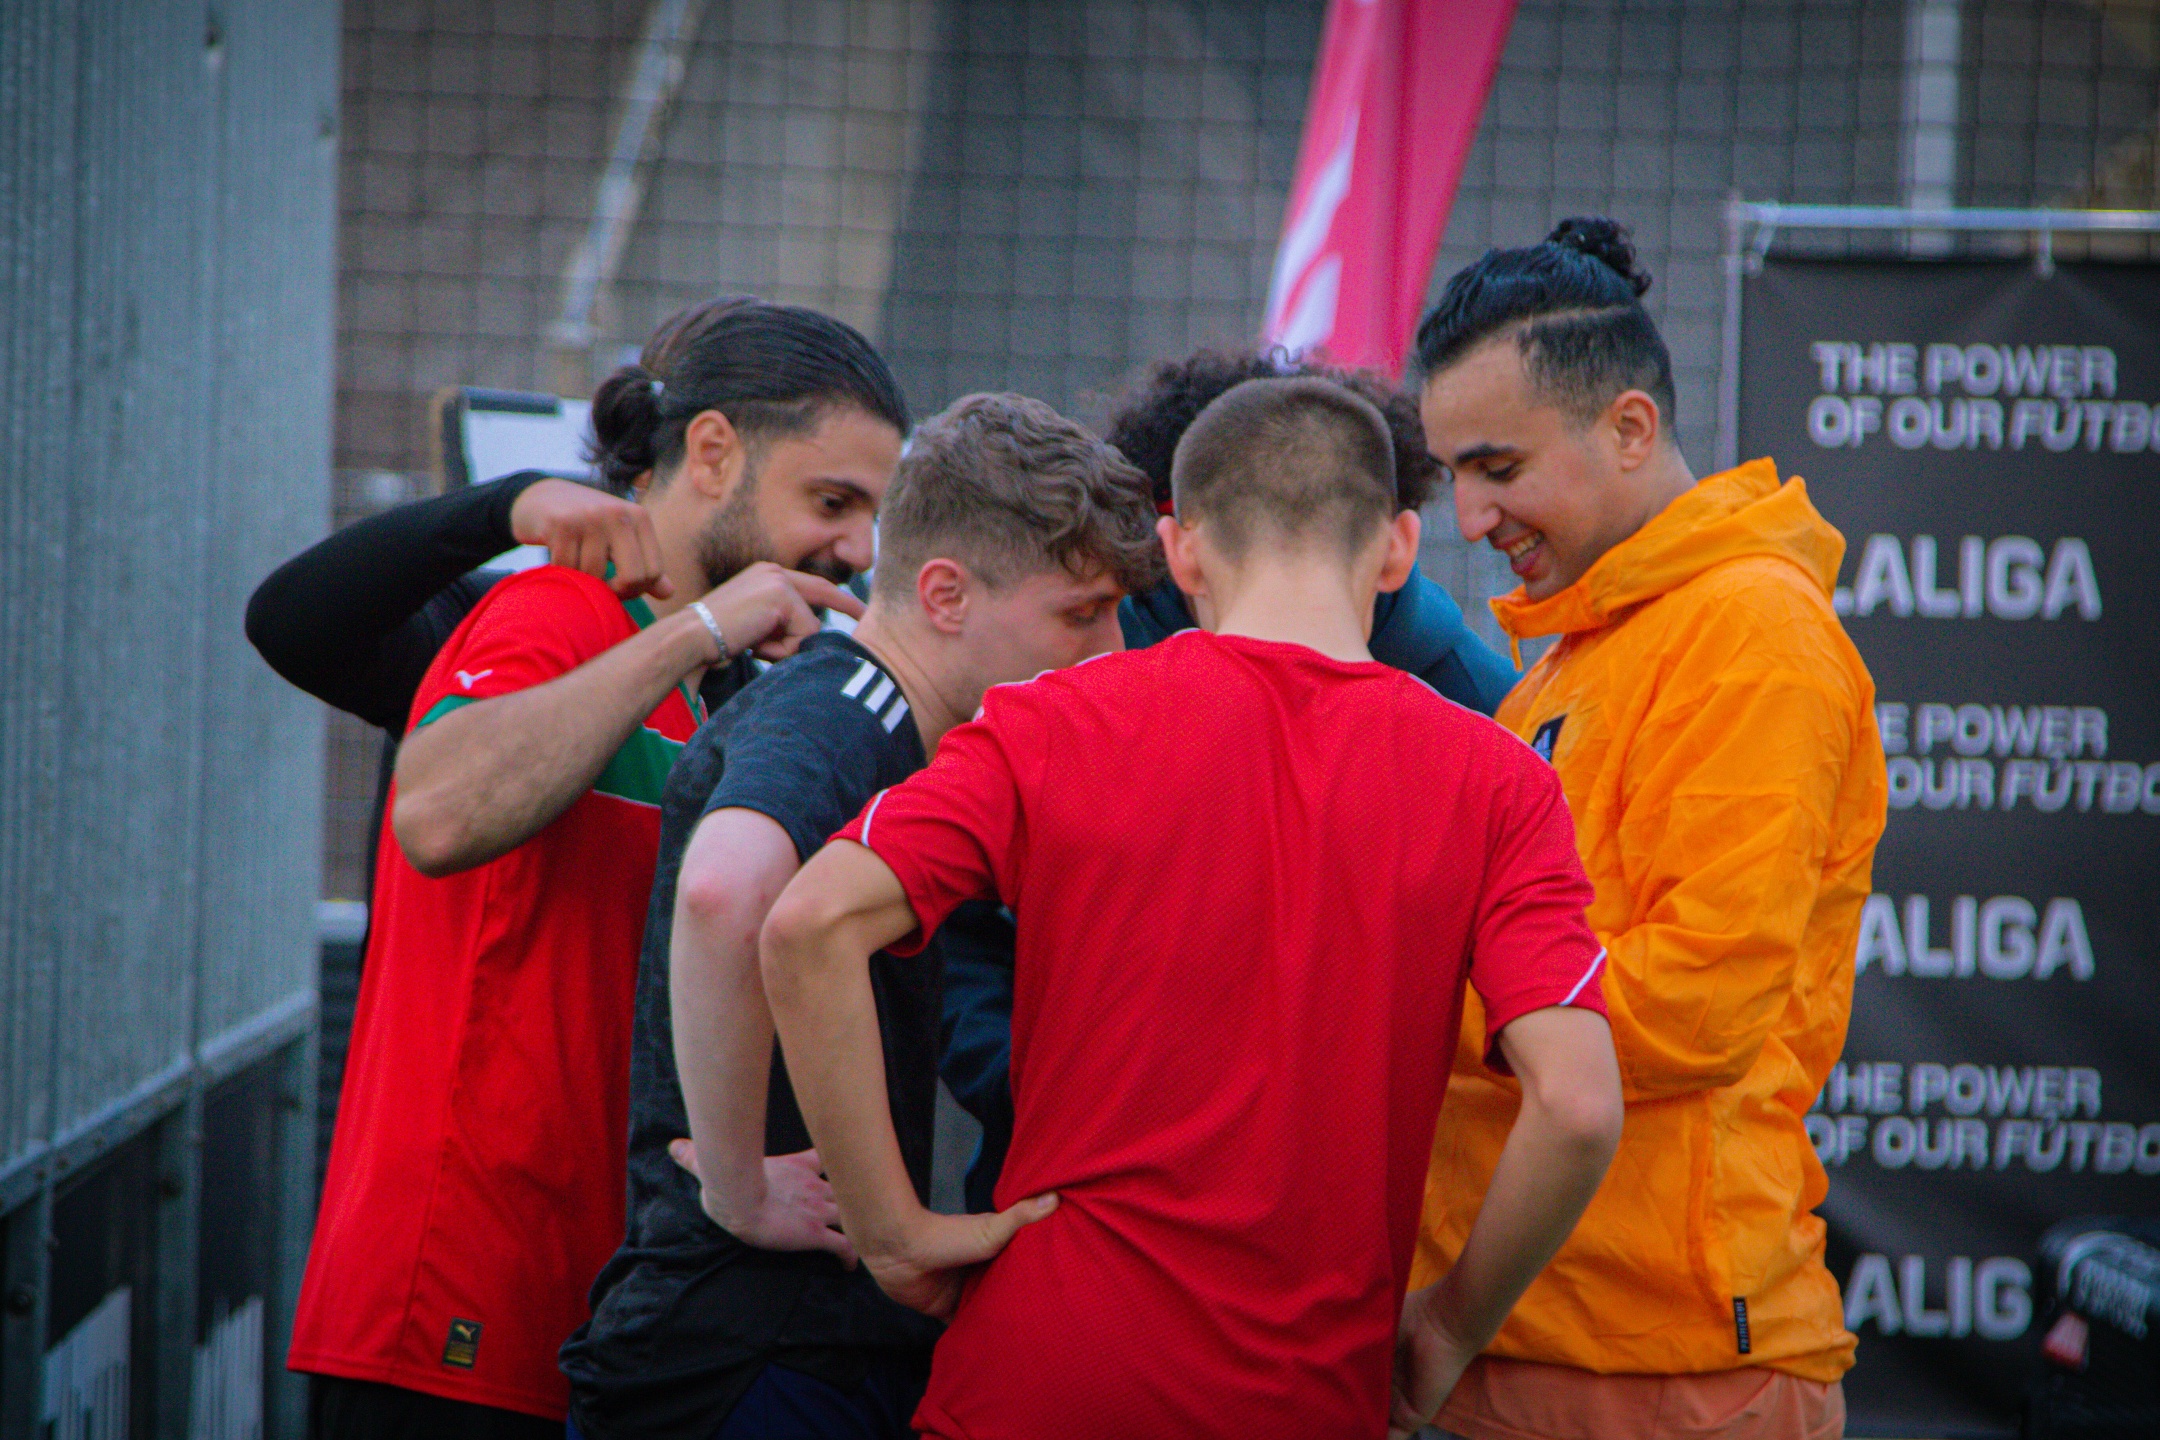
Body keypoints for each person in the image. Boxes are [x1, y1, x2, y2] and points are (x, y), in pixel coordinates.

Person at [760, 376, 1626, 1439]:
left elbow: (807, 924)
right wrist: (1447, 1329)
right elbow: (1579, 1106)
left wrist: (891, 1229)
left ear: (1180, 553)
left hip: (1038, 1381)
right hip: (1307, 1397)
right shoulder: (1501, 784)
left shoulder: (1052, 723)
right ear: (1398, 548)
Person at [283, 299, 911, 1439]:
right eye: (832, 503)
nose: (860, 550)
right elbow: (437, 811)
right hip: (456, 1305)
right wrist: (695, 629)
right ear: (712, 452)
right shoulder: (558, 612)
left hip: (596, 1307)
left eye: (876, 513)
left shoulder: (733, 696)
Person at [559, 393, 1161, 1440]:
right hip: (741, 1353)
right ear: (944, 594)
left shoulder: (893, 729)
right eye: (1081, 613)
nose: (1111, 649)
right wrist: (740, 1189)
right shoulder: (848, 708)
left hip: (792, 1346)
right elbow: (724, 887)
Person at [1409, 218, 1889, 1440]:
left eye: (1497, 467)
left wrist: (1403, 1002)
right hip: (1523, 1329)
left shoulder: (1753, 634)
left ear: (1629, 427)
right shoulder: (1568, 659)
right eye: (1452, 474)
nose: (1469, 515)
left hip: (1666, 1363)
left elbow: (1697, 1000)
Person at [937, 348, 1521, 1215]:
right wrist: (1037, 1087)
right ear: (1179, 535)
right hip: (1072, 1188)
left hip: (1348, 1212)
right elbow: (961, 922)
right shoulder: (1088, 665)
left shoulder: (1475, 711)